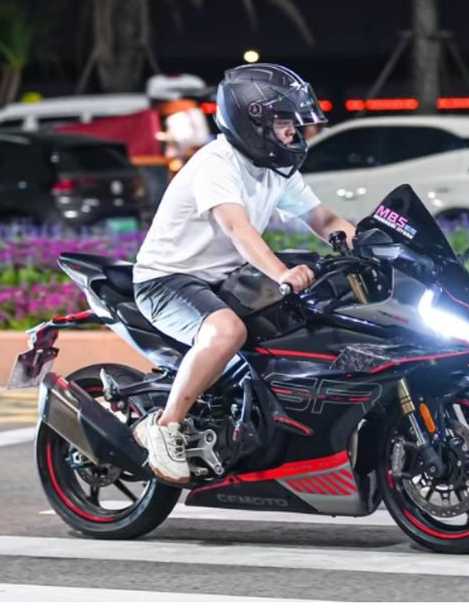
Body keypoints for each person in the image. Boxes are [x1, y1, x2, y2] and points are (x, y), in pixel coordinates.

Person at [131, 63, 355, 483]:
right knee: (227, 332)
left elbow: (324, 220)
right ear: (254, 121)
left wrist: (373, 249)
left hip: (224, 278)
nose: (295, 133)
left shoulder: (274, 168)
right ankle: (164, 426)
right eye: (285, 123)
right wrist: (282, 273)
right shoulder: (217, 163)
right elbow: (238, 229)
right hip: (168, 279)